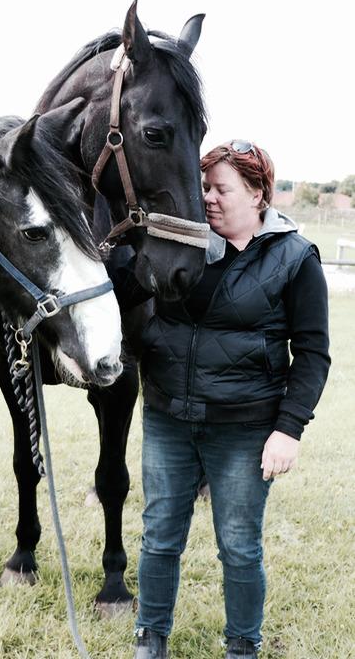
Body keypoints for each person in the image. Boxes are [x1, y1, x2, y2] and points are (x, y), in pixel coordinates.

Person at [132, 140, 331, 659]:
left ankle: (242, 648)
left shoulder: (296, 258)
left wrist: (289, 429)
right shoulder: (186, 244)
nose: (209, 199)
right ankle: (150, 639)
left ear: (258, 194)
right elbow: (131, 292)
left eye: (221, 189)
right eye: (204, 188)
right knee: (158, 537)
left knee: (239, 548)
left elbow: (312, 354)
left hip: (245, 430)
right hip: (167, 416)